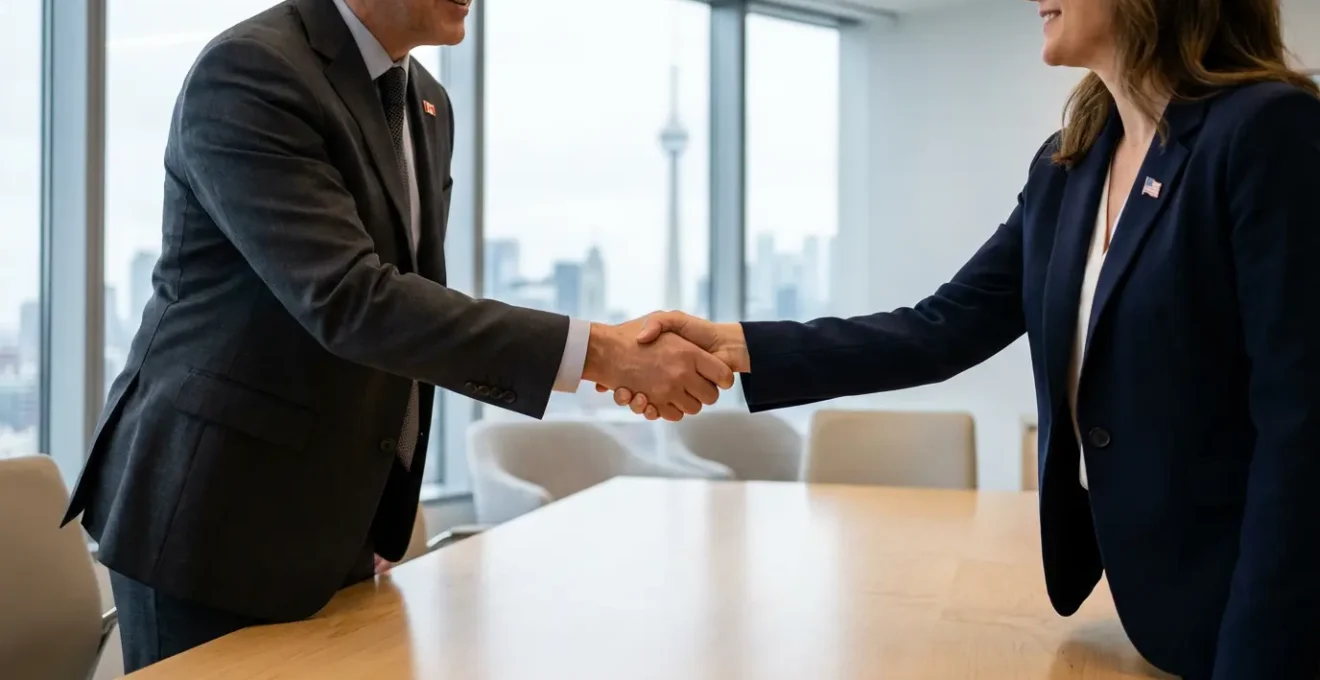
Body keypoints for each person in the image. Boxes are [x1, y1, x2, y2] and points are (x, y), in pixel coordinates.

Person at [606, 0, 1320, 677]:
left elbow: (1301, 432)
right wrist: (739, 345)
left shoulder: (1268, 132)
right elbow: (941, 328)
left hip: (1268, 623)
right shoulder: (1068, 164)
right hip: (1166, 619)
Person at [60, 0, 731, 671]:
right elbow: (353, 301)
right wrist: (604, 354)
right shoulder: (253, 71)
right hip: (212, 514)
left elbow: (415, 307)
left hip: (332, 516)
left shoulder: (426, 101)